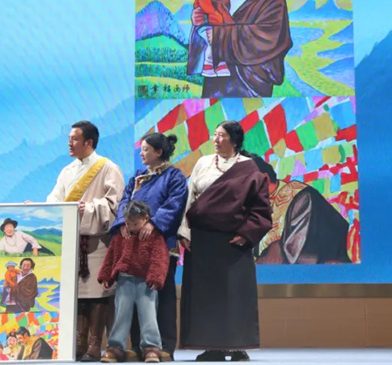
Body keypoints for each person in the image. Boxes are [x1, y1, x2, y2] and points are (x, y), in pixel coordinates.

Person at [177, 121, 272, 362]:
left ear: (235, 140)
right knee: (205, 296)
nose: (216, 140)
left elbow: (260, 209)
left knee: (235, 296)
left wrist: (247, 234)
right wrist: (184, 232)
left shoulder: (249, 168)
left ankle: (238, 346)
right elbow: (190, 199)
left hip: (233, 242)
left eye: (222, 136)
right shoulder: (203, 163)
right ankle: (212, 347)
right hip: (202, 241)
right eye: (215, 134)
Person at [46, 121, 126, 361]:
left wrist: (89, 208)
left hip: (98, 241)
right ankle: (79, 343)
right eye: (69, 139)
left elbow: (115, 204)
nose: (69, 143)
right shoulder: (67, 171)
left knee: (97, 294)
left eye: (74, 139)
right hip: (73, 241)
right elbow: (55, 199)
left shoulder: (108, 168)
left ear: (89, 142)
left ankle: (95, 345)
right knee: (78, 295)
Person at [110, 133, 188, 361]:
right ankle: (137, 346)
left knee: (163, 294)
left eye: (145, 149)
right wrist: (123, 223)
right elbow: (125, 201)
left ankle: (165, 346)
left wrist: (153, 223)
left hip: (161, 244)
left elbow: (175, 205)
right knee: (136, 295)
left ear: (158, 152)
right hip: (135, 246)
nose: (141, 153)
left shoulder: (174, 176)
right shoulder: (138, 177)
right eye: (141, 149)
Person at [190, 0, 292, 98]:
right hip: (216, 81)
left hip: (248, 84)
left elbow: (266, 36)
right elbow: (209, 22)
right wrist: (199, 19)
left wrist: (218, 36)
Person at [98, 201, 170, 363]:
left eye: (135, 224)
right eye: (128, 223)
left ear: (146, 218)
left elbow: (160, 258)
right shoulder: (121, 234)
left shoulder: (155, 236)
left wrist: (156, 277)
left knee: (148, 315)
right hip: (125, 281)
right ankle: (115, 346)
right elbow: (111, 255)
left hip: (146, 283)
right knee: (121, 314)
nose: (131, 227)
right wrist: (106, 276)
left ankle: (151, 347)